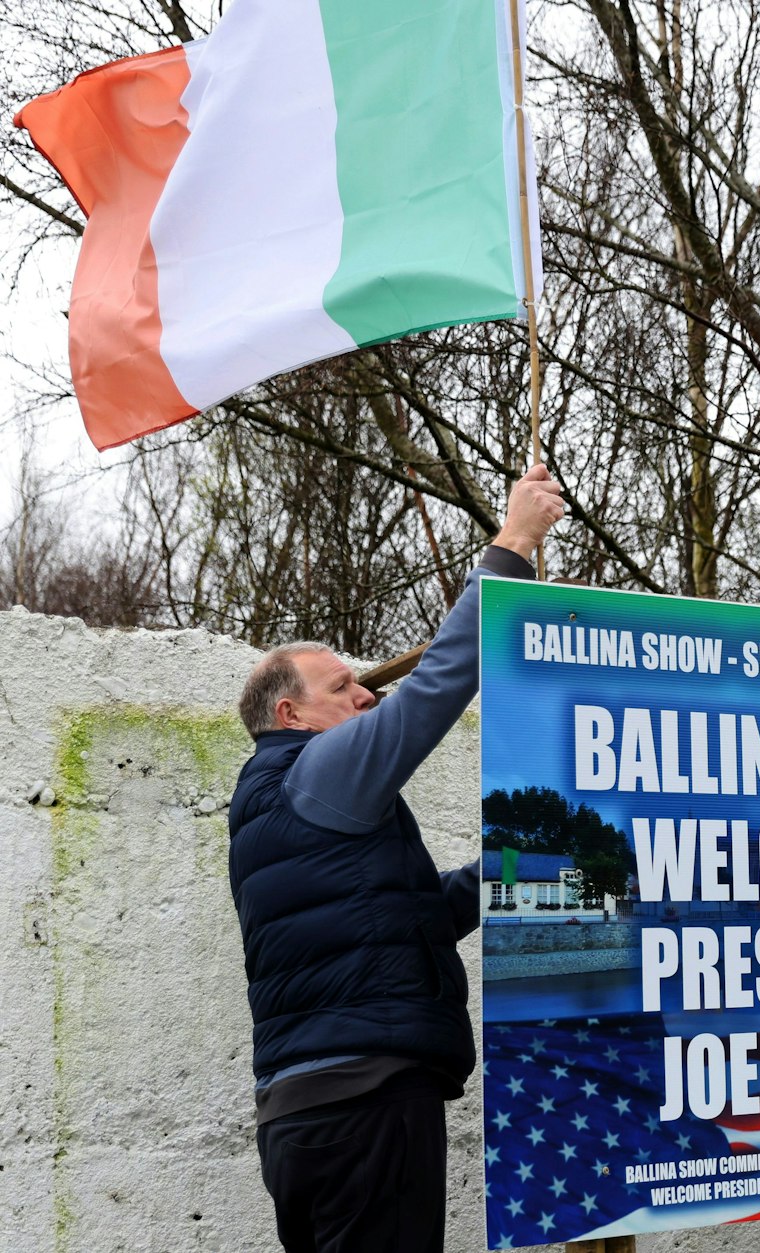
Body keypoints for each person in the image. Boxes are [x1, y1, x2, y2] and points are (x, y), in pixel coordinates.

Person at [226, 465, 563, 1253]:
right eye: (344, 687)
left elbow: (410, 917)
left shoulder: (276, 807)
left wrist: (531, 870)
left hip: (304, 1117)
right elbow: (437, 685)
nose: (367, 697)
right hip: (366, 1105)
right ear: (291, 713)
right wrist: (514, 541)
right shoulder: (320, 769)